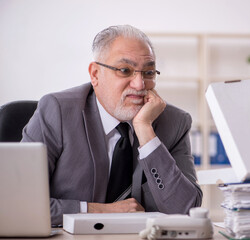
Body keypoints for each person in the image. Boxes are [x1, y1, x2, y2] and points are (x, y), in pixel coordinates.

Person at [21, 25, 202, 225]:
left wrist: (145, 131)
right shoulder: (57, 112)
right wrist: (97, 211)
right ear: (95, 74)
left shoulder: (175, 123)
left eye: (149, 72)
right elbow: (18, 202)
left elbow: (187, 210)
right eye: (125, 70)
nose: (140, 84)